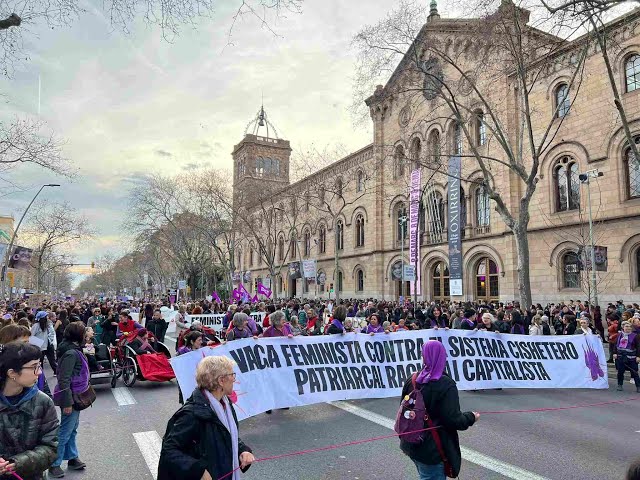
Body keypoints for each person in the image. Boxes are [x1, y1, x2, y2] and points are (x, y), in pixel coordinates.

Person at [158, 356, 255, 480]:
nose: (234, 379)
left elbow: (226, 434)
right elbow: (169, 450)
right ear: (221, 380)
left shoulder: (224, 403)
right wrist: (199, 471)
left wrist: (242, 450)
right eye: (232, 375)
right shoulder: (192, 414)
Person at [399, 341, 479, 480]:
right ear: (442, 357)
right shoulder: (445, 384)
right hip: (432, 449)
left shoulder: (412, 379)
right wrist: (471, 417)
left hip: (411, 443)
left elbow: (404, 407)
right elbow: (453, 420)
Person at [0, 342, 59, 480]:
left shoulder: (43, 402)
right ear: (12, 373)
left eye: (39, 366)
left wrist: (17, 463)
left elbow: (51, 447)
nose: (39, 372)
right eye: (34, 367)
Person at [50, 322, 88, 478]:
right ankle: (54, 464)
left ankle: (72, 457)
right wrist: (67, 403)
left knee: (72, 429)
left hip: (75, 396)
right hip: (71, 398)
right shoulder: (71, 353)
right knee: (65, 431)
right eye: (84, 333)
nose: (86, 335)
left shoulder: (72, 349)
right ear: (78, 335)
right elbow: (63, 379)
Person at [613, 321, 640, 393]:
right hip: (621, 356)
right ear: (623, 327)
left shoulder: (635, 336)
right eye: (626, 326)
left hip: (631, 357)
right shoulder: (619, 335)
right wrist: (614, 353)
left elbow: (638, 346)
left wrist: (638, 356)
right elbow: (615, 344)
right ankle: (620, 385)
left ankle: (638, 386)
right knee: (620, 372)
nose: (628, 328)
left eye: (629, 327)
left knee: (635, 372)